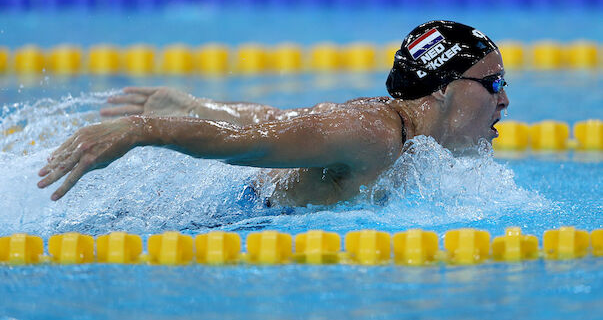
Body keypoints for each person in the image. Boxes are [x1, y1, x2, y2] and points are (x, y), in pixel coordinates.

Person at [37, 20, 509, 206]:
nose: (503, 101)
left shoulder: (410, 140)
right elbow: (256, 143)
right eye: (493, 85)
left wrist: (200, 109)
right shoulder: (374, 133)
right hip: (232, 213)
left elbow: (288, 125)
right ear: (446, 88)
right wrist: (141, 130)